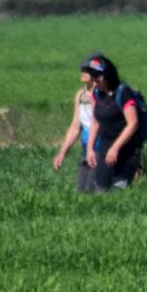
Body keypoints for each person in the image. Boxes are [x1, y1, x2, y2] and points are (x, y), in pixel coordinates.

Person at [83, 55, 141, 192]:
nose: (94, 81)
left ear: (107, 75)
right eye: (93, 77)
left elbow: (133, 123)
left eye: (98, 77)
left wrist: (115, 148)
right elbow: (95, 122)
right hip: (104, 152)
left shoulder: (123, 93)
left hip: (125, 152)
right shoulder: (96, 94)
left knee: (119, 193)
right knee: (100, 191)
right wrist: (90, 149)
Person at [52, 53, 101, 192]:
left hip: (102, 151)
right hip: (87, 151)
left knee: (93, 191)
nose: (82, 72)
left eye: (86, 70)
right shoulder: (80, 95)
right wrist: (62, 152)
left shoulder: (104, 96)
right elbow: (75, 127)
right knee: (80, 192)